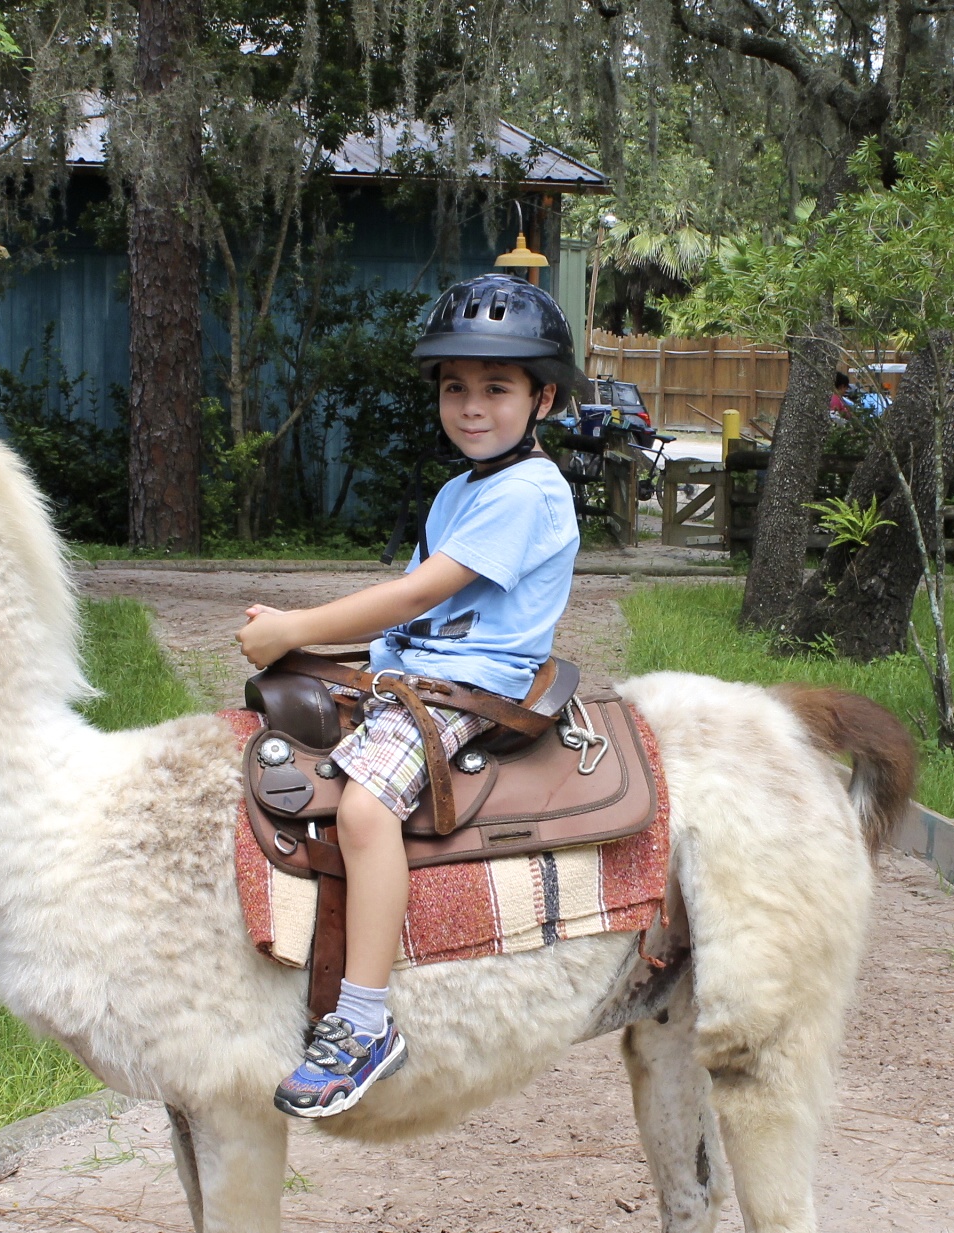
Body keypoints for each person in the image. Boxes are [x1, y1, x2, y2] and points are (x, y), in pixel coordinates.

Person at [236, 272, 581, 1119]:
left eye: (496, 389)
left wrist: (295, 626)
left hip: (476, 685)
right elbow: (410, 614)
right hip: (416, 672)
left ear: (541, 399)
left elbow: (419, 594)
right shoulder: (462, 488)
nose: (471, 407)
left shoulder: (530, 491)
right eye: (455, 388)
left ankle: (363, 1020)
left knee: (361, 808)